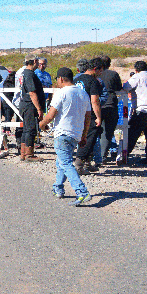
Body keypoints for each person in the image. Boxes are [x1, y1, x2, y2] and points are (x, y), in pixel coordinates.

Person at [39, 67, 93, 206]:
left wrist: (42, 124)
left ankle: (82, 192)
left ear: (61, 79)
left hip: (63, 133)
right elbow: (88, 117)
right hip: (75, 134)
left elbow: (51, 114)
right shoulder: (83, 94)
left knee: (66, 163)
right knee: (61, 161)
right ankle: (58, 188)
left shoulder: (61, 93)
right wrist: (84, 135)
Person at [122, 61, 147, 165]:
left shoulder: (137, 77)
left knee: (131, 134)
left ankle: (124, 156)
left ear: (136, 70)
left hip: (143, 110)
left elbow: (125, 87)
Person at [73, 57, 104, 173]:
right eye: (100, 71)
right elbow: (95, 101)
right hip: (88, 114)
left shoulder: (77, 79)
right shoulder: (93, 81)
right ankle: (79, 164)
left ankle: (86, 162)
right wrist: (98, 117)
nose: (100, 74)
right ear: (95, 69)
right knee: (89, 138)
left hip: (77, 112)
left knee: (84, 136)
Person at [19, 56, 45, 161]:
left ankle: (23, 153)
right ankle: (29, 155)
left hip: (25, 104)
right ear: (34, 61)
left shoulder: (25, 73)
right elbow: (32, 92)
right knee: (30, 129)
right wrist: (39, 108)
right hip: (29, 105)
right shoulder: (29, 74)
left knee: (26, 129)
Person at [99, 55, 123, 163]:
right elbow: (119, 88)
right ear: (109, 64)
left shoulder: (96, 75)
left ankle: (95, 156)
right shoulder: (114, 74)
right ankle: (102, 156)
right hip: (111, 105)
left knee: (95, 132)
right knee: (107, 133)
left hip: (98, 105)